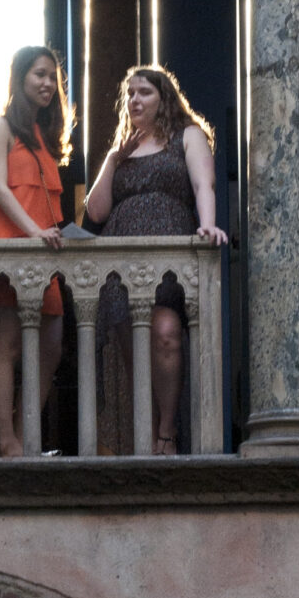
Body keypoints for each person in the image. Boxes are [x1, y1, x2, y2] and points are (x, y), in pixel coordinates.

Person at [84, 65, 228, 454]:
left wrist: (208, 225)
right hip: (121, 264)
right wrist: (113, 159)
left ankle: (167, 432)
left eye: (144, 92)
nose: (134, 100)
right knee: (134, 354)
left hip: (166, 261)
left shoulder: (187, 135)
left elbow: (204, 185)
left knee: (165, 334)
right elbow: (95, 213)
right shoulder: (124, 148)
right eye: (129, 93)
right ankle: (145, 437)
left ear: (163, 98)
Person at [0, 46, 71, 457]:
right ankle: (6, 443)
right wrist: (35, 232)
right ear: (19, 79)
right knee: (8, 345)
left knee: (51, 346)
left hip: (44, 251)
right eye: (39, 75)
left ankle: (25, 436)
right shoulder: (0, 126)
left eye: (52, 77)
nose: (48, 83)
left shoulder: (45, 138)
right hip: (9, 245)